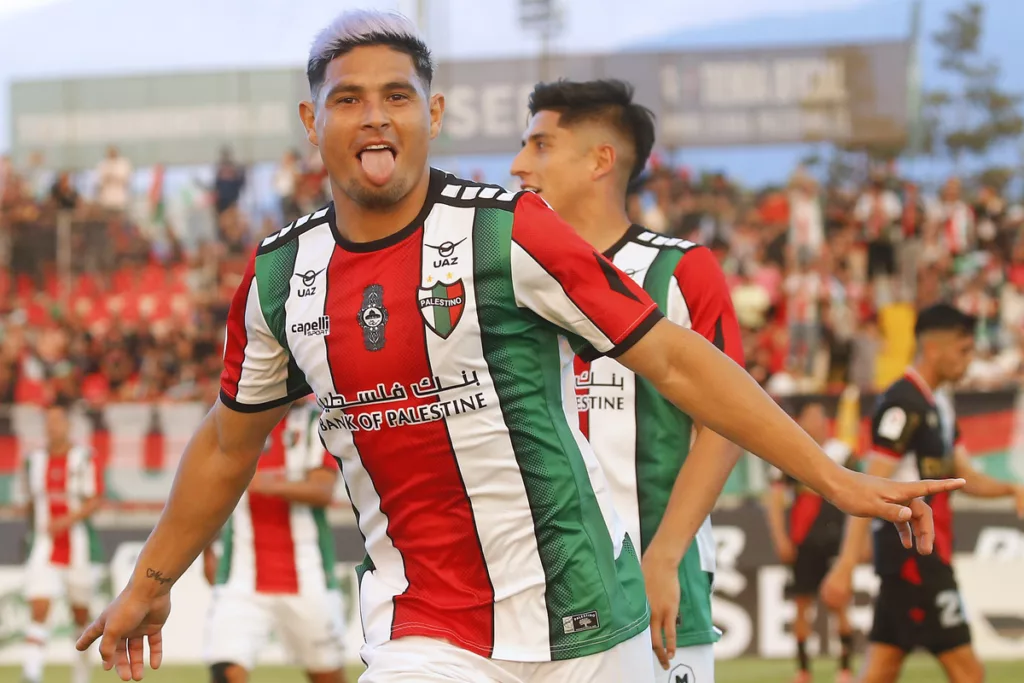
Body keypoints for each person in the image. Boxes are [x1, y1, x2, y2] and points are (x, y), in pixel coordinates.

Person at [78, 10, 964, 683]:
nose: (374, 117)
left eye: (397, 96)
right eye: (347, 99)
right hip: (420, 626)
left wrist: (835, 477)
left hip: (583, 617)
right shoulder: (280, 278)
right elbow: (228, 442)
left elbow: (677, 360)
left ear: (436, 112)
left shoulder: (510, 234)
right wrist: (155, 576)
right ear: (311, 122)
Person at [509, 78, 745, 683]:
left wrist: (663, 557)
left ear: (600, 160)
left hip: (659, 591)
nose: (518, 165)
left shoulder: (679, 270)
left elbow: (726, 426)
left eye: (540, 146)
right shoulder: (506, 276)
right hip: (532, 610)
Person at [821, 303, 1024, 683]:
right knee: (968, 673)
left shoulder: (940, 403)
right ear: (934, 349)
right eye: (963, 350)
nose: (969, 360)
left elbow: (963, 476)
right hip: (914, 556)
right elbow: (868, 485)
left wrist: (1011, 489)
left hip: (927, 553)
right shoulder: (902, 402)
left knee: (882, 669)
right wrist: (846, 565)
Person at [202, 398, 346, 683]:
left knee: (327, 675)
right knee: (225, 670)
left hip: (308, 575)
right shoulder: (229, 420)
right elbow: (210, 492)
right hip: (240, 576)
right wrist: (207, 549)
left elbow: (322, 489)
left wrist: (263, 483)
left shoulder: (316, 421)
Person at [765, 402, 857, 683]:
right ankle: (803, 669)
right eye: (809, 417)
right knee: (802, 606)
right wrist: (780, 537)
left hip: (835, 540)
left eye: (819, 416)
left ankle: (844, 668)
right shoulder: (790, 453)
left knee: (840, 603)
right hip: (803, 542)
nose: (815, 422)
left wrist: (855, 543)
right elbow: (776, 501)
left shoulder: (843, 453)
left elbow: (857, 494)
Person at [20, 402, 104, 683]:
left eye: (57, 421)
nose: (52, 426)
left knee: (80, 615)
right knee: (39, 609)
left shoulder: (84, 457)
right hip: (44, 546)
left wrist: (68, 520)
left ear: (68, 425)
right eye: (48, 421)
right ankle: (31, 674)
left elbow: (95, 499)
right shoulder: (33, 460)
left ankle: (81, 675)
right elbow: (31, 503)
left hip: (78, 548)